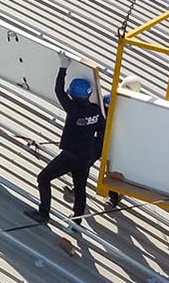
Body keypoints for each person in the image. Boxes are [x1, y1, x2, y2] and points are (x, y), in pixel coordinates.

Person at [26, 53, 106, 224]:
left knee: (43, 178)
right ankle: (76, 221)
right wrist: (91, 150)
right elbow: (101, 132)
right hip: (85, 157)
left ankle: (44, 213)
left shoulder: (73, 110)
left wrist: (63, 67)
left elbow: (58, 91)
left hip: (70, 156)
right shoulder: (96, 111)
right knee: (80, 188)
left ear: (74, 96)